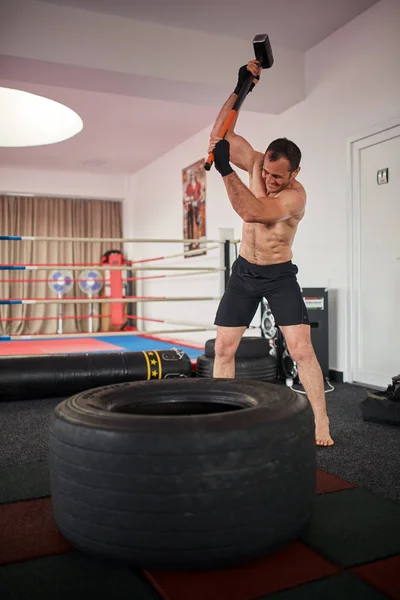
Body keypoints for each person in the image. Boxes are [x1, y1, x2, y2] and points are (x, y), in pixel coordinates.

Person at [208, 59, 334, 447]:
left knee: (301, 349)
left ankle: (321, 423)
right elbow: (219, 135)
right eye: (266, 173)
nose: (268, 180)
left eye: (278, 177)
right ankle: (221, 419)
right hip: (245, 271)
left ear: (294, 173)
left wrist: (227, 171)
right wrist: (241, 86)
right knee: (224, 346)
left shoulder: (295, 197)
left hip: (279, 275)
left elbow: (253, 211)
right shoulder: (259, 164)